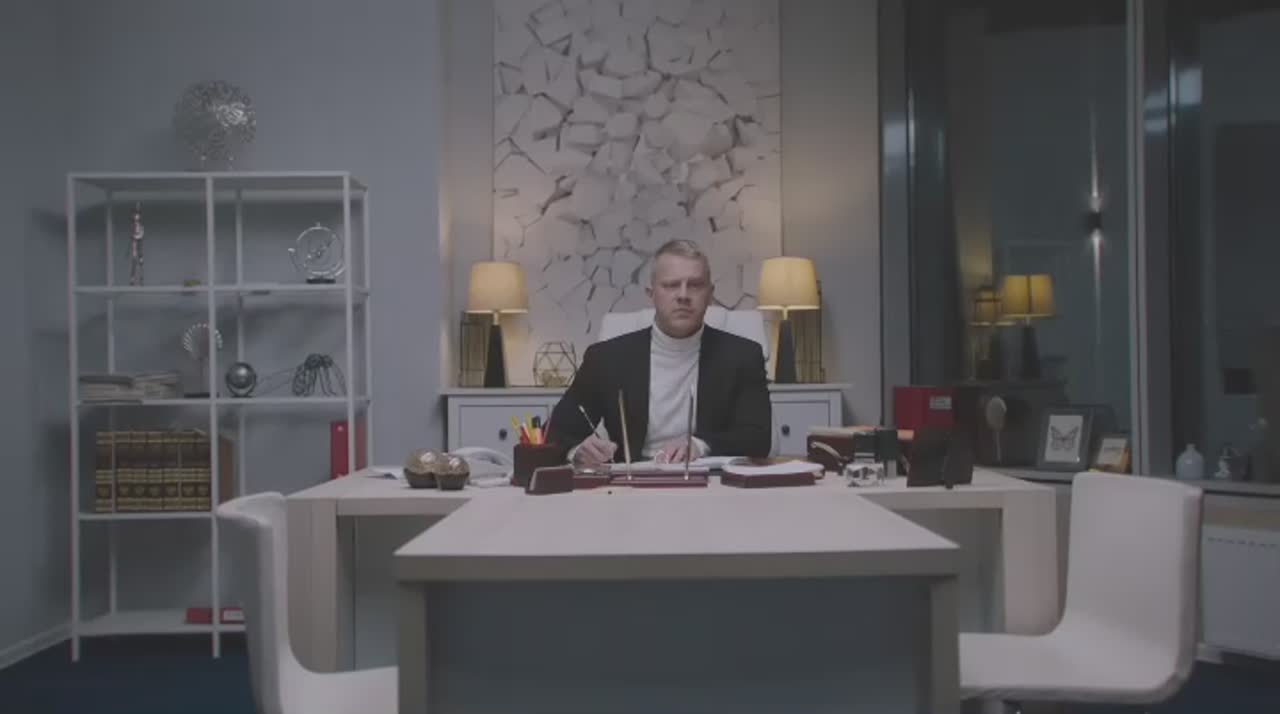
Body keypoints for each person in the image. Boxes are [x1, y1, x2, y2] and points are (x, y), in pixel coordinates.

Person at [547, 239, 772, 467]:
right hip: (630, 481)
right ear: (651, 293)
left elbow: (758, 439)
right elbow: (554, 433)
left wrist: (700, 445)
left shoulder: (743, 356)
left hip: (709, 480)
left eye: (695, 285)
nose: (683, 295)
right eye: (671, 285)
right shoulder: (606, 358)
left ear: (710, 294)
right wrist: (577, 451)